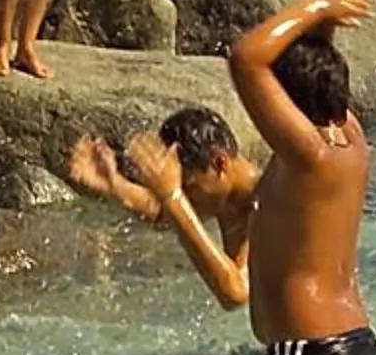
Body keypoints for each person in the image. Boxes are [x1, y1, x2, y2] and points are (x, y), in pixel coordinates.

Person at [220, 0, 376, 355]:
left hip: (308, 351)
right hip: (358, 352)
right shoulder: (351, 143)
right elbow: (315, 76)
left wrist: (320, 2)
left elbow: (246, 58)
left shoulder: (307, 155)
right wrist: (325, 27)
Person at [63, 105, 257, 311]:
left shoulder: (266, 198)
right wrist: (114, 185)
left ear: (220, 163)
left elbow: (236, 294)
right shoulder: (229, 199)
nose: (187, 199)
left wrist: (173, 196)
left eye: (189, 187)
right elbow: (167, 216)